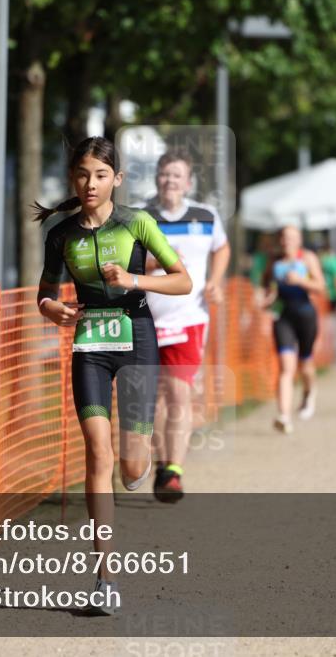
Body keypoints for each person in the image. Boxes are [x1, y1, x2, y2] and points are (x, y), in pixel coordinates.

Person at [35, 136, 191, 613]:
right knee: (97, 456)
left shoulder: (137, 223)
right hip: (90, 347)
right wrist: (54, 310)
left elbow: (183, 280)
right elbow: (43, 294)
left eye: (101, 175)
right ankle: (105, 577)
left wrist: (133, 280)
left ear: (117, 180)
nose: (91, 183)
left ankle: (141, 465)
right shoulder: (61, 234)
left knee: (130, 465)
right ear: (73, 180)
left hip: (138, 339)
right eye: (83, 175)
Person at [139, 149, 230, 503]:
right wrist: (155, 263)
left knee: (179, 392)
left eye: (177, 175)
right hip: (146, 318)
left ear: (188, 182)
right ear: (157, 179)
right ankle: (164, 463)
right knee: (156, 397)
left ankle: (174, 470)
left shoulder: (205, 216)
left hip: (189, 317)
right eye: (164, 174)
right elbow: (124, 260)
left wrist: (217, 281)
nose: (170, 180)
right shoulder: (140, 217)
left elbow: (221, 249)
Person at [261, 226, 326, 434]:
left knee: (305, 364)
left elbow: (320, 286)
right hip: (283, 317)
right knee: (285, 367)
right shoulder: (274, 261)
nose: (285, 241)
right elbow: (266, 283)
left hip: (306, 315)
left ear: (299, 240)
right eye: (282, 237)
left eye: (290, 237)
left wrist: (300, 281)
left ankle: (309, 392)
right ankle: (284, 416)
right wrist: (269, 296)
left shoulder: (307, 258)